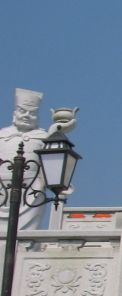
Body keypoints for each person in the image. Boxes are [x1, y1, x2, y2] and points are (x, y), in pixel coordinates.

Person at [0, 88, 78, 231]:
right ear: (14, 114)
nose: (27, 116)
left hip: (32, 191)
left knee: (25, 233)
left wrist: (58, 129)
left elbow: (54, 159)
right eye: (23, 111)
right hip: (2, 189)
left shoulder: (42, 136)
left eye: (32, 113)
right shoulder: (2, 135)